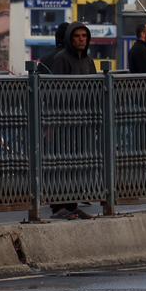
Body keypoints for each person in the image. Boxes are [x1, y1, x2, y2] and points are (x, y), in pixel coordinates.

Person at [41, 23, 98, 219]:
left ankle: (72, 204)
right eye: (77, 36)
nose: (81, 39)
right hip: (63, 120)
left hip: (82, 121)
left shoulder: (89, 61)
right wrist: (52, 123)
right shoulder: (61, 59)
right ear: (70, 39)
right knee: (62, 163)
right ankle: (59, 206)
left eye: (84, 36)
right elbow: (56, 91)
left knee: (77, 163)